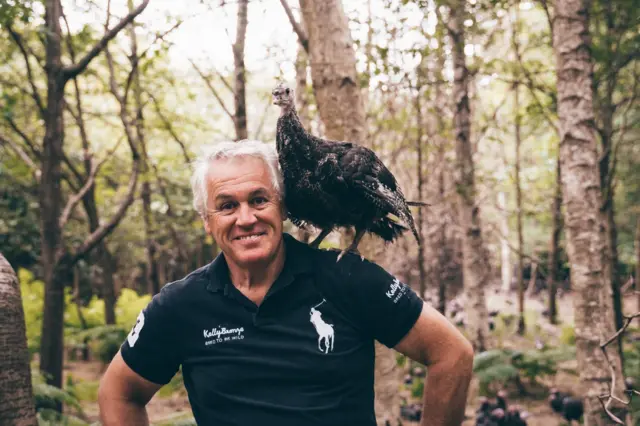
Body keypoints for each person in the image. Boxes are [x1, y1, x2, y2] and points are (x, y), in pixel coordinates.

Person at [97, 139, 474, 426]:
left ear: (282, 206)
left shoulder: (347, 277)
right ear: (206, 219)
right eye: (227, 205)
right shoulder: (180, 305)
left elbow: (452, 354)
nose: (246, 218)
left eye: (259, 200)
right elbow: (118, 392)